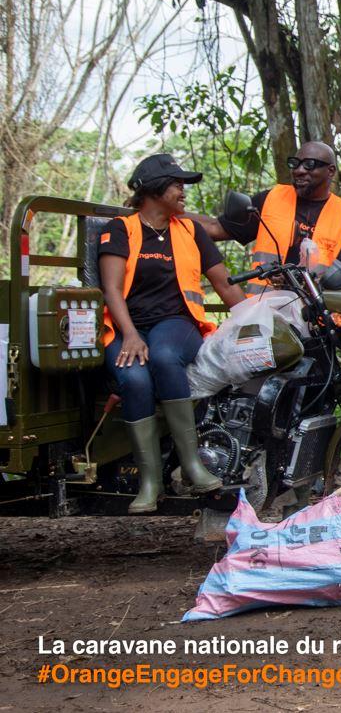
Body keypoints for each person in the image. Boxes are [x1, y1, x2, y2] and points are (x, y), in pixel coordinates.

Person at [99, 153, 246, 513]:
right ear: (153, 190)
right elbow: (112, 290)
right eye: (177, 183)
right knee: (134, 380)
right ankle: (150, 481)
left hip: (178, 325)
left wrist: (254, 321)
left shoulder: (191, 231)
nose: (183, 190)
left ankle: (192, 463)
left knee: (164, 357)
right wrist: (131, 335)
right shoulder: (121, 230)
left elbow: (225, 286)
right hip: (126, 326)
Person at [193, 141, 341, 293]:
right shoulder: (271, 199)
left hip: (315, 317)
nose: (299, 170)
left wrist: (305, 281)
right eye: (295, 164)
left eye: (309, 165)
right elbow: (215, 228)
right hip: (263, 311)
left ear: (331, 171)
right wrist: (171, 213)